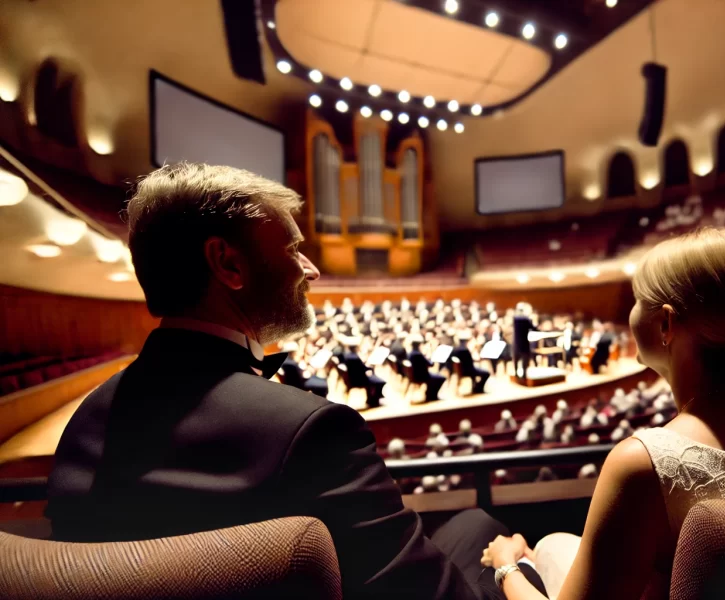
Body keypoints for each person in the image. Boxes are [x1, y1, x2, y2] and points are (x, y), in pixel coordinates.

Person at [45, 163, 542, 600]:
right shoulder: (308, 431)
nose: (313, 269)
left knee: (471, 525)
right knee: (485, 530)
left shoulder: (86, 423)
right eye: (293, 248)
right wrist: (507, 569)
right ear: (228, 264)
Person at [481, 229, 725, 600]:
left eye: (637, 301)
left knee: (500, 549)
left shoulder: (644, 462)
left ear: (666, 324)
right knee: (554, 544)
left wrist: (506, 565)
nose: (630, 313)